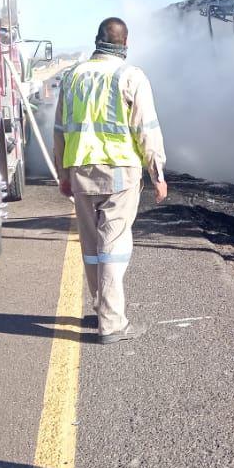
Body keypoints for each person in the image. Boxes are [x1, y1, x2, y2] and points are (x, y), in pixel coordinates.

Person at [54, 17, 167, 344]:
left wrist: (63, 174)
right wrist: (157, 173)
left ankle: (101, 307)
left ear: (96, 40)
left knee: (91, 246)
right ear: (125, 44)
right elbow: (146, 129)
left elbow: (59, 130)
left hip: (79, 170)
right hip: (118, 171)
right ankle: (112, 323)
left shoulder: (73, 76)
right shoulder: (130, 76)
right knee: (114, 245)